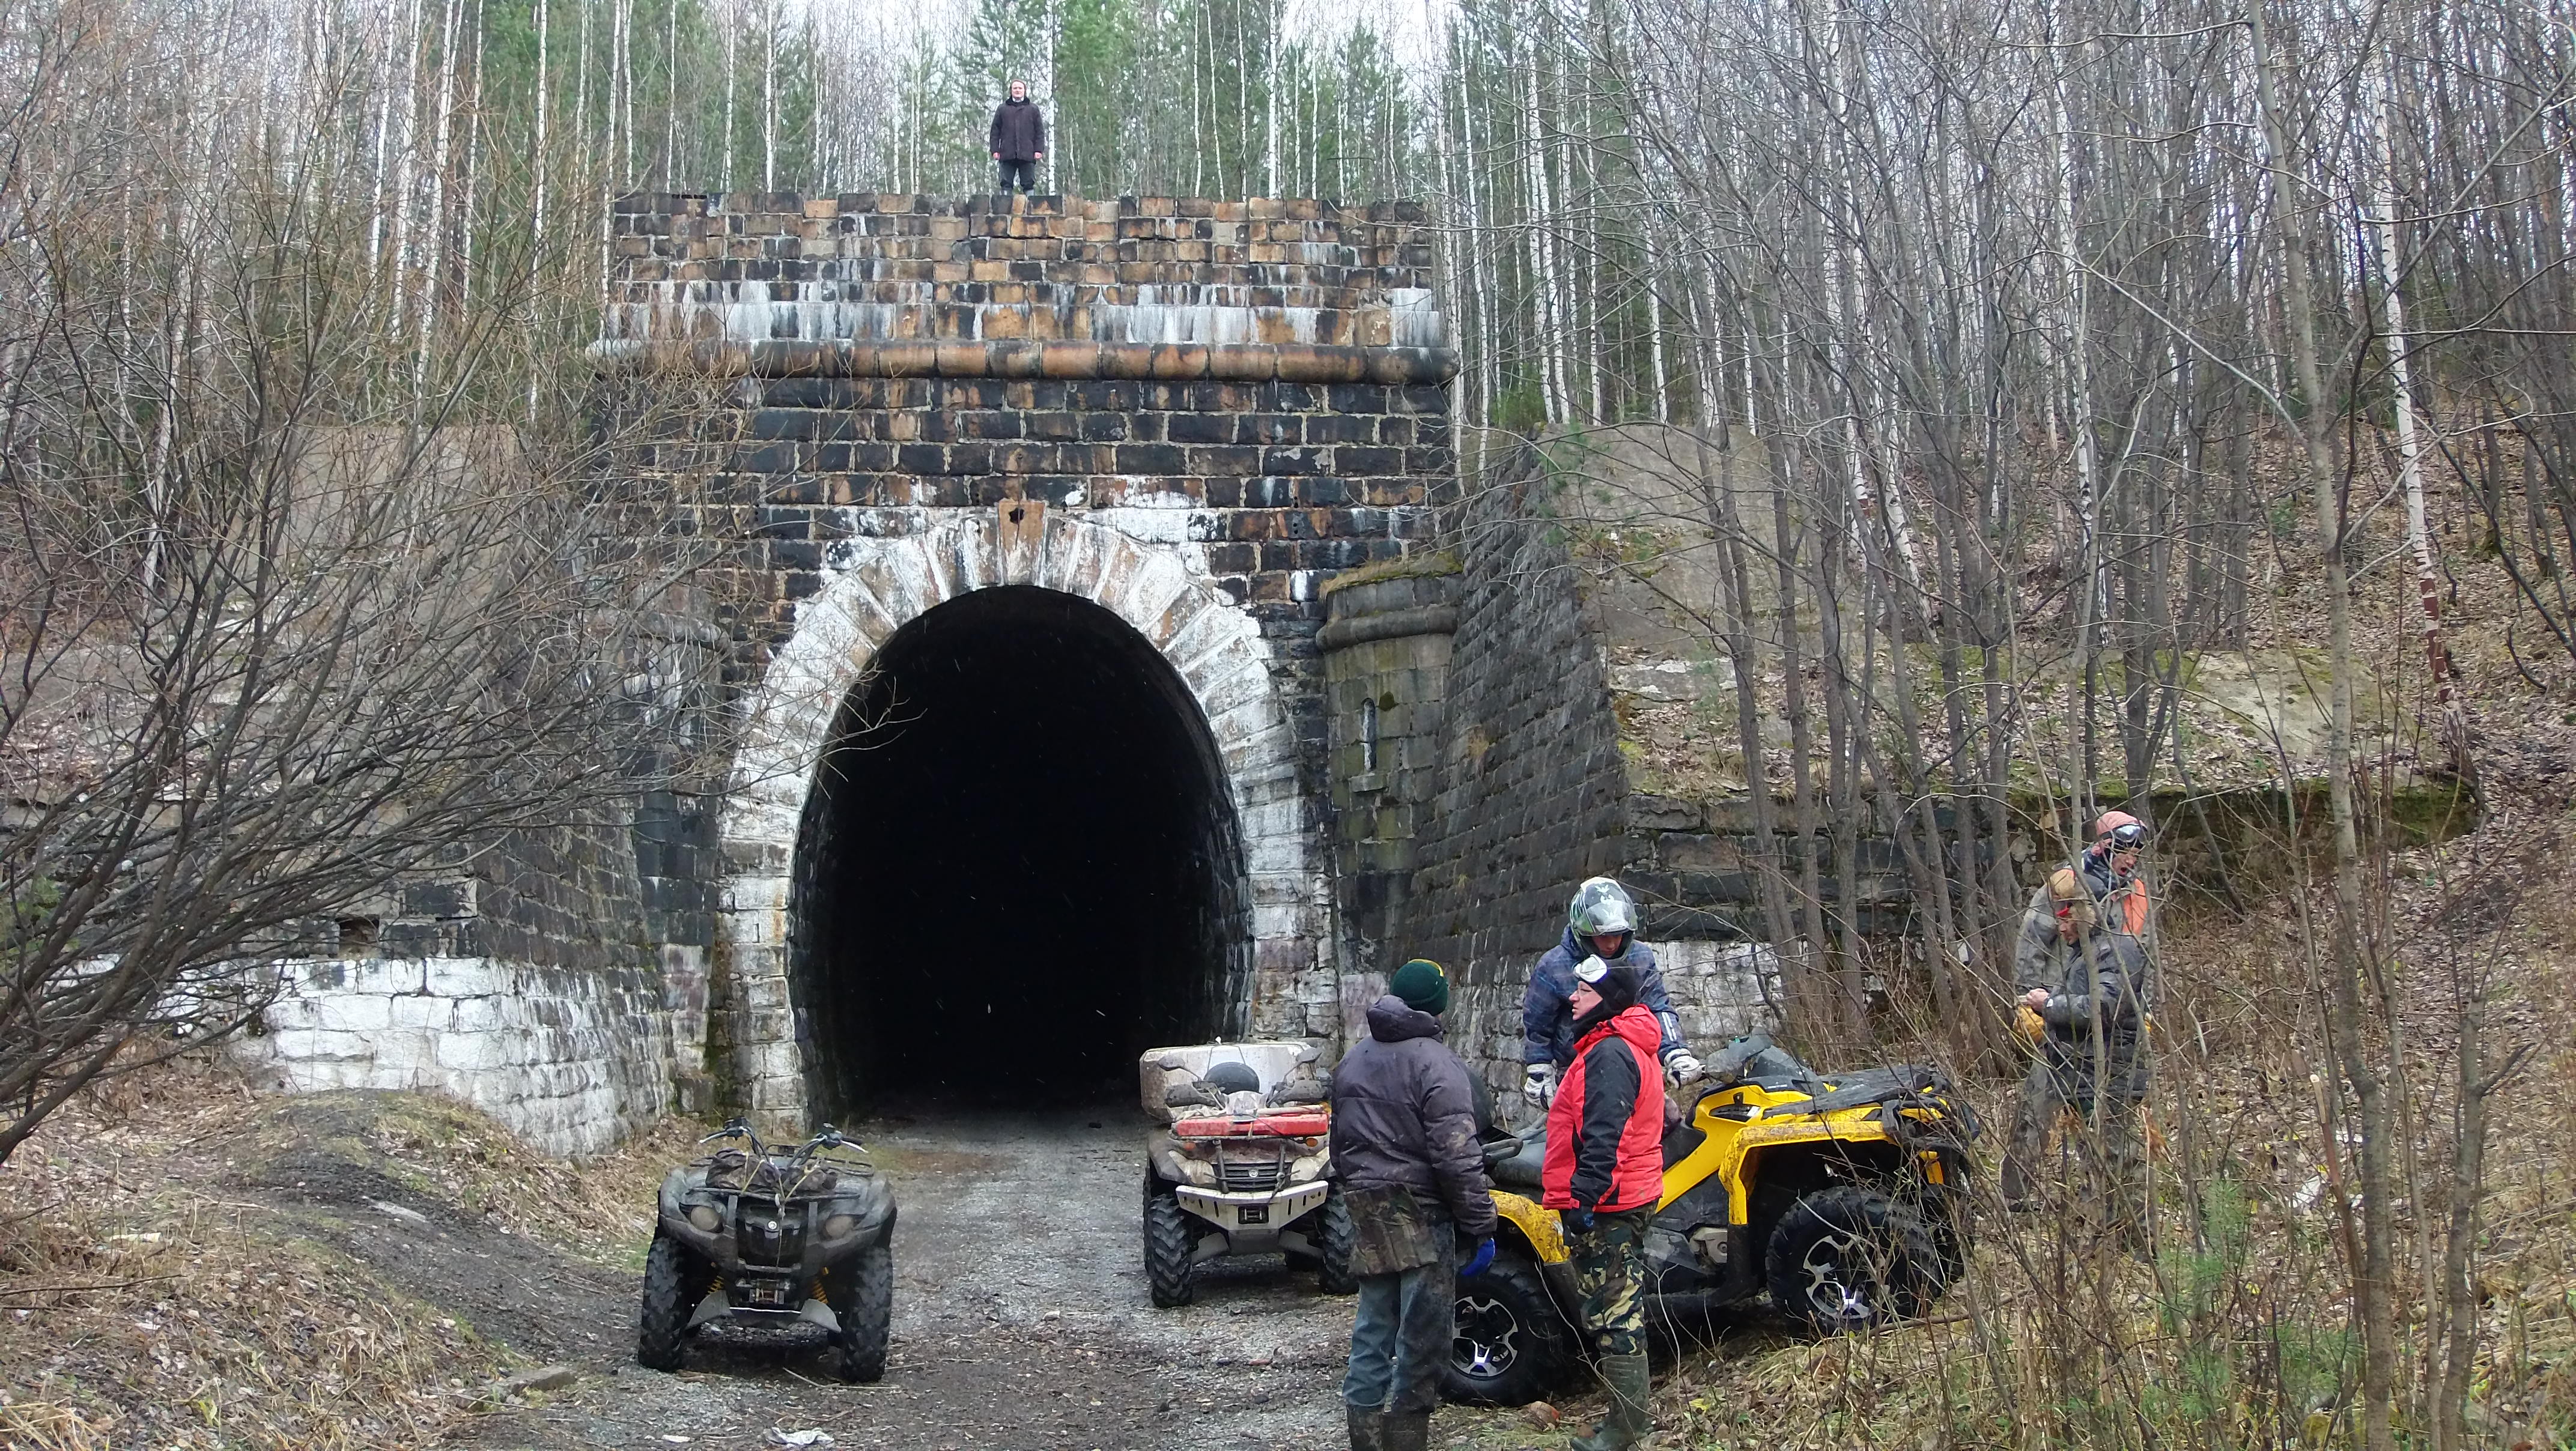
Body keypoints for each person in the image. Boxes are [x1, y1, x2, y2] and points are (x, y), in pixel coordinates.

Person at [1328, 959, 1497, 1451]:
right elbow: (1457, 1156)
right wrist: (1480, 1223)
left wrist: (1364, 1194)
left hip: (1369, 1206)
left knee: (1373, 1327)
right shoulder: (1439, 1064)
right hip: (1423, 1213)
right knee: (1423, 1339)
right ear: (1437, 1004)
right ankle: (1406, 1440)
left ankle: (1363, 1437)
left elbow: (1340, 1148)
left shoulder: (1352, 1060)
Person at [1540, 956, 1665, 1451]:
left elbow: (1602, 1135)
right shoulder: (1621, 1045)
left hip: (1611, 1202)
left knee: (1615, 1312)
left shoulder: (1609, 1052)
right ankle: (1624, 1417)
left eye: (1585, 992)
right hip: (1626, 1193)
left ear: (1609, 1000)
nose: (1574, 998)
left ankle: (1627, 1430)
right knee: (1618, 1305)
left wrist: (1584, 1199)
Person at [2006, 924, 2156, 1244]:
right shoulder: (2082, 953)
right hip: (2083, 1072)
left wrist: (2048, 1006)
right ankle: (2104, 1240)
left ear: (2085, 913)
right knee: (2093, 1156)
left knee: (2118, 1159)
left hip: (2111, 1073)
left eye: (2066, 916)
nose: (2060, 927)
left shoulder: (2118, 951)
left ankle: (2140, 1246)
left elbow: (2101, 1007)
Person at [1522, 877, 1701, 1108]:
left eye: (1618, 934)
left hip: (1634, 1064)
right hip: (1577, 1069)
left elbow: (1658, 1008)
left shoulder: (1639, 958)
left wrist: (1675, 1052)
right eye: (1603, 936)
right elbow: (1538, 1026)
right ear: (1583, 932)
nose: (1611, 944)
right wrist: (1539, 1071)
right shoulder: (1554, 966)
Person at [2000, 866, 2095, 1208]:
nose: (2132, 854)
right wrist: (2026, 999)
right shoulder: (2069, 879)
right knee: (2040, 1102)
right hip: (2054, 1009)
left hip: (2102, 1016)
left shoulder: (2131, 888)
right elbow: (2033, 938)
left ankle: (2097, 1197)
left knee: (2098, 1109)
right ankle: (2014, 1196)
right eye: (2125, 846)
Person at [2082, 810, 2152, 938]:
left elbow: (2146, 943)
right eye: (2124, 852)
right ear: (2105, 848)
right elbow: (2035, 940)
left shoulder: (2136, 889)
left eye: (2135, 854)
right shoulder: (2069, 879)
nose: (2131, 861)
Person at [988, 79, 1046, 195]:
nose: (1018, 90)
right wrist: (995, 150)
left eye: (1020, 88)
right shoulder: (1002, 109)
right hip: (1007, 153)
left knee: (1029, 183)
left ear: (1025, 91)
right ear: (1011, 91)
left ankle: (1030, 210)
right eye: (1015, 88)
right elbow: (995, 132)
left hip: (1027, 153)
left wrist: (1039, 150)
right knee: (1005, 183)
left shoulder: (1033, 109)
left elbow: (1040, 131)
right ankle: (1004, 210)